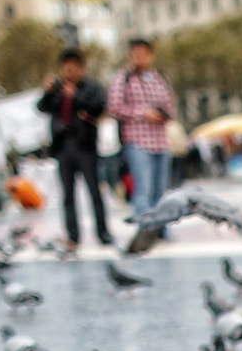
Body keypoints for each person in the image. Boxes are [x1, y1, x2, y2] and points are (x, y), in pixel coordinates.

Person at [39, 48, 110, 248]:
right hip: (63, 146)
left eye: (73, 68)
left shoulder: (91, 87)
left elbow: (99, 107)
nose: (69, 72)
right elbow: (42, 107)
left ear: (81, 68)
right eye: (66, 68)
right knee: (67, 194)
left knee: (94, 192)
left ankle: (103, 233)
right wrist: (48, 91)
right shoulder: (57, 88)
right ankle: (73, 236)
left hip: (85, 145)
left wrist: (76, 96)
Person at [106, 39, 175, 226]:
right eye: (135, 53)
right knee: (143, 188)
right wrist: (143, 113)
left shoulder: (158, 78)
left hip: (161, 141)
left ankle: (161, 228)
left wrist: (163, 114)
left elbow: (171, 107)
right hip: (138, 140)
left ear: (151, 55)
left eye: (143, 54)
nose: (139, 58)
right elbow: (114, 107)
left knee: (161, 190)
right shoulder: (123, 78)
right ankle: (145, 229)